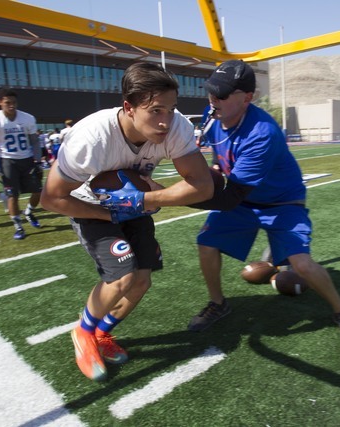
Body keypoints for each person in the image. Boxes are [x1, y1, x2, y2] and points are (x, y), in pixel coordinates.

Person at [40, 61, 214, 381]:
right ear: (129, 107)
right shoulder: (90, 138)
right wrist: (109, 213)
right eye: (156, 111)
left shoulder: (175, 126)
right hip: (90, 206)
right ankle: (83, 332)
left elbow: (202, 186)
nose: (165, 122)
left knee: (142, 281)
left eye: (172, 110)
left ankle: (103, 333)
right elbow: (50, 199)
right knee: (121, 277)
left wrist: (147, 200)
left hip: (136, 205)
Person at [186, 60, 340, 345]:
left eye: (221, 94)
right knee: (206, 244)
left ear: (248, 97)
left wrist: (165, 199)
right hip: (245, 200)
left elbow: (230, 197)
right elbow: (219, 158)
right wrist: (217, 169)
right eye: (210, 91)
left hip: (281, 202)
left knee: (303, 265)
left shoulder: (262, 133)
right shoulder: (213, 116)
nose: (212, 99)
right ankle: (218, 303)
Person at [0, 87, 43, 240]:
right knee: (12, 195)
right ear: (0, 102)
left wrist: (38, 160)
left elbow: (34, 141)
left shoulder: (27, 118)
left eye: (14, 102)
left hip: (27, 159)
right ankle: (18, 226)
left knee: (38, 191)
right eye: (8, 102)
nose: (12, 105)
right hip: (8, 161)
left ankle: (28, 211)